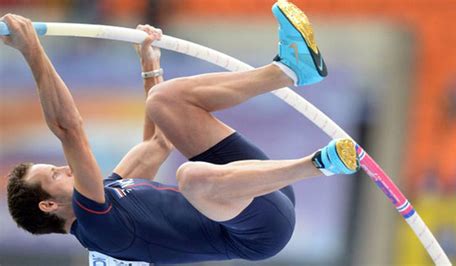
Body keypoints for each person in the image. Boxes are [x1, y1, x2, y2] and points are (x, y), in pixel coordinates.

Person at [4, 1, 360, 264]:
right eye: (54, 174)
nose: (64, 168)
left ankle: (289, 71)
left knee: (163, 100)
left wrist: (149, 64)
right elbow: (69, 130)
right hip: (259, 230)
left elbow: (159, 142)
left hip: (260, 191)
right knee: (190, 177)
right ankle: (320, 164)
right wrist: (33, 50)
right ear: (49, 205)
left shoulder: (113, 190)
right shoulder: (98, 228)